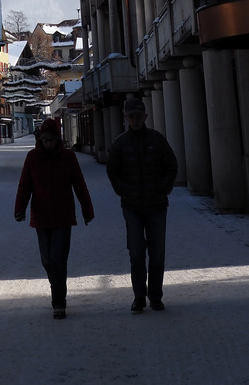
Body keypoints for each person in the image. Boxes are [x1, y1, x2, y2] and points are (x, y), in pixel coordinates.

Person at [14, 118, 94, 319]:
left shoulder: (68, 157)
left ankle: (59, 302)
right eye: (45, 139)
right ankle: (56, 286)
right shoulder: (32, 158)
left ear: (58, 139)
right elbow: (25, 185)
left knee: (58, 259)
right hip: (41, 216)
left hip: (63, 216)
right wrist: (20, 208)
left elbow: (79, 184)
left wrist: (87, 210)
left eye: (51, 139)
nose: (48, 143)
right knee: (47, 260)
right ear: (40, 139)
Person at [106, 96, 178, 313]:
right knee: (136, 253)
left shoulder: (157, 140)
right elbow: (113, 171)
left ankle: (155, 296)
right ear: (126, 117)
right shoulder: (120, 144)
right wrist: (123, 190)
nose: (136, 120)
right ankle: (139, 296)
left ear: (145, 117)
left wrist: (164, 187)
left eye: (139, 116)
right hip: (133, 207)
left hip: (156, 205)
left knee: (157, 254)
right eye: (132, 116)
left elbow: (171, 165)